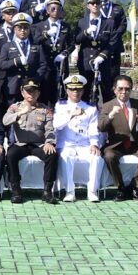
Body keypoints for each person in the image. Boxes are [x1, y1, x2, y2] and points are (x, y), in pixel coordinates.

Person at [98, 75, 138, 201]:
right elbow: (101, 127)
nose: (124, 92)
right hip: (115, 145)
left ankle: (135, 187)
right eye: (120, 89)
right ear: (114, 90)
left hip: (135, 145)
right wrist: (111, 115)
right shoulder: (108, 106)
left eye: (127, 89)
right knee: (109, 157)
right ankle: (120, 188)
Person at [2, 78, 58, 203]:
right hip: (20, 144)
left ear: (38, 93)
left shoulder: (45, 109)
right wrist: (20, 113)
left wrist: (49, 142)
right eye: (28, 91)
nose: (31, 94)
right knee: (10, 155)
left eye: (34, 91)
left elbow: (50, 129)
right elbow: (5, 121)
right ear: (22, 93)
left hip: (38, 144)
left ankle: (47, 191)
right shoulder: (15, 107)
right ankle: (16, 190)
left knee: (52, 154)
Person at [53, 74, 103, 203]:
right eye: (72, 89)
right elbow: (56, 125)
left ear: (83, 90)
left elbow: (93, 128)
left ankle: (92, 191)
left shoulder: (90, 108)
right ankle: (70, 191)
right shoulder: (60, 106)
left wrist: (94, 144)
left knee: (96, 157)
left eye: (79, 89)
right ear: (67, 90)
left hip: (83, 144)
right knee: (66, 156)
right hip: (66, 144)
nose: (75, 92)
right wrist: (70, 115)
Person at [76, 0, 117, 104]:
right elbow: (76, 40)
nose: (95, 5)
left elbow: (113, 42)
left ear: (101, 4)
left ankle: (106, 118)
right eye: (92, 3)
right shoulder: (81, 22)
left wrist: (102, 56)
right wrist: (86, 32)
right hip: (86, 62)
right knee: (86, 92)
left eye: (98, 3)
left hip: (103, 62)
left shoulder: (109, 22)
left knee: (107, 92)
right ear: (88, 5)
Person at [32, 0, 74, 105]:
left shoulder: (66, 26)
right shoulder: (39, 26)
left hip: (60, 65)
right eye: (52, 8)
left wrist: (64, 54)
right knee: (44, 94)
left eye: (58, 8)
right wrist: (46, 35)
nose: (55, 11)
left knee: (60, 94)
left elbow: (72, 44)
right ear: (47, 10)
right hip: (45, 65)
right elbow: (35, 42)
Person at [0, 13, 48, 103]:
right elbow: (2, 65)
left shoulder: (37, 47)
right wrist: (16, 61)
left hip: (31, 86)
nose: (22, 31)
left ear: (29, 30)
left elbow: (43, 65)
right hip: (13, 86)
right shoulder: (6, 46)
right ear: (14, 29)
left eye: (25, 28)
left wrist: (36, 78)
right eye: (19, 28)